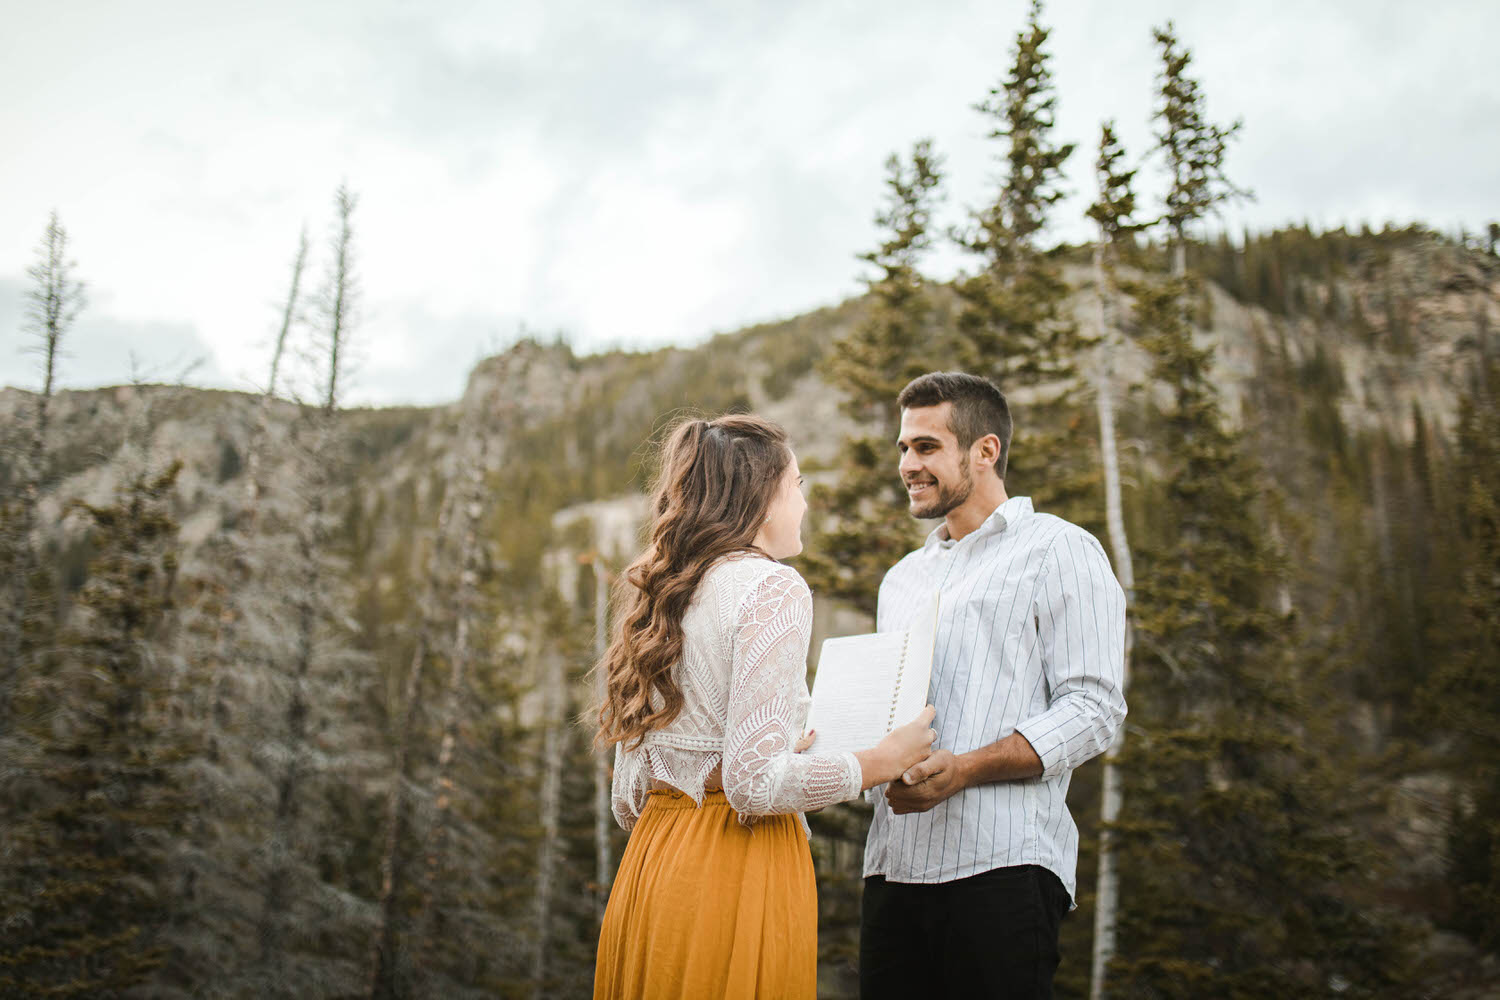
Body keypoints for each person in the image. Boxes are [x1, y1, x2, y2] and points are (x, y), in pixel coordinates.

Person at [592, 414, 937, 1000]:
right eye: (797, 485)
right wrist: (879, 760)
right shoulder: (772, 587)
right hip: (735, 874)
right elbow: (754, 786)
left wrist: (755, 750)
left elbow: (630, 801)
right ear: (761, 497)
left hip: (653, 871)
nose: (803, 503)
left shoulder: (666, 595)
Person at [859, 372, 1127, 1000]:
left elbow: (1094, 708)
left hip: (1002, 870)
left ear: (985, 451)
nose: (907, 465)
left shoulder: (1061, 549)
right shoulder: (901, 580)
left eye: (926, 447)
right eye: (903, 449)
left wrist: (967, 769)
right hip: (892, 873)